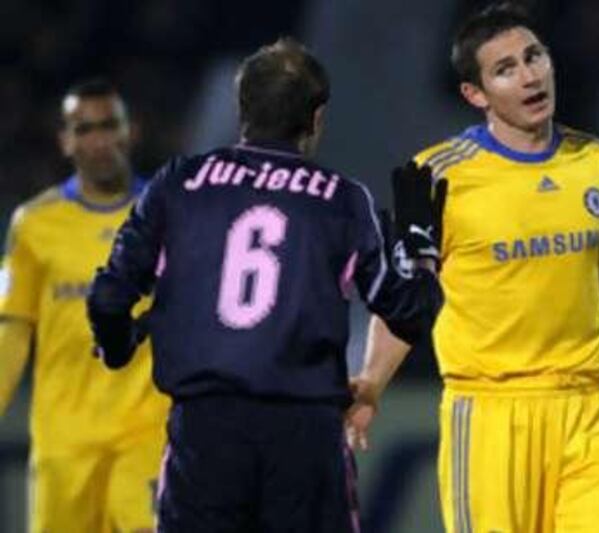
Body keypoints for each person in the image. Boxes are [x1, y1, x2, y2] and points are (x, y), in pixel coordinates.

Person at [346, 3, 599, 532]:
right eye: (505, 69)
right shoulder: (433, 176)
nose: (528, 75)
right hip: (491, 416)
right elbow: (406, 297)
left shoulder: (595, 161)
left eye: (533, 57)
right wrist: (372, 385)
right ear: (475, 95)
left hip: (589, 413)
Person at [86, 38, 441, 532]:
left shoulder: (178, 183)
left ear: (242, 108)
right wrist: (422, 249)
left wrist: (118, 344)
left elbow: (107, 296)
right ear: (317, 119)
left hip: (204, 434)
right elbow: (408, 310)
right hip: (305, 438)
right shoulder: (343, 201)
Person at [0, 79, 170, 533]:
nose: (99, 140)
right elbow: (13, 328)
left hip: (146, 431)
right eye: (85, 128)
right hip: (64, 441)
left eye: (108, 125)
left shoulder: (165, 212)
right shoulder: (34, 224)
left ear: (130, 131)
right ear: (65, 140)